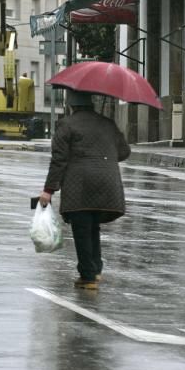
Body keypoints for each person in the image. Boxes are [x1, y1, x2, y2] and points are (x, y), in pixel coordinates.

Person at [38, 90, 131, 290]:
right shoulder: (108, 123)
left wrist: (48, 190)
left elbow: (59, 160)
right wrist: (102, 155)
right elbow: (124, 152)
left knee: (81, 228)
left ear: (71, 105)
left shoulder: (66, 125)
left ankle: (88, 276)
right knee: (93, 226)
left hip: (79, 184)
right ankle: (95, 270)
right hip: (108, 183)